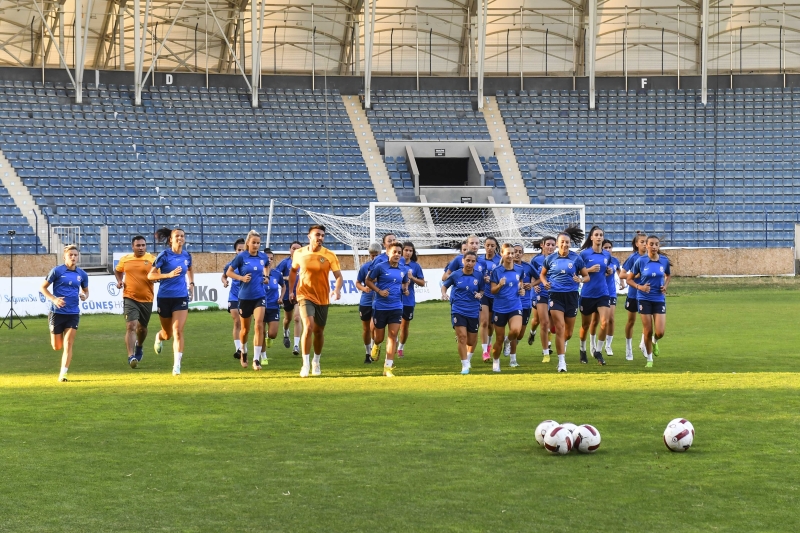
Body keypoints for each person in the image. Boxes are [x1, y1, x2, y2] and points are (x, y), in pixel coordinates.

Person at [289, 225, 343, 378]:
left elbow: (339, 276)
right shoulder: (299, 253)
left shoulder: (329, 255)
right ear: (309, 236)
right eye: (317, 235)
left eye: (322, 235)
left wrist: (337, 289)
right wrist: (291, 290)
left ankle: (316, 362)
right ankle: (305, 364)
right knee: (309, 326)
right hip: (304, 295)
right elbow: (293, 271)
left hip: (322, 297)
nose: (320, 238)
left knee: (319, 331)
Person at [539, 227, 587, 373]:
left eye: (567, 242)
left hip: (572, 296)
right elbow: (542, 275)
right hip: (555, 295)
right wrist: (544, 283)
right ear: (557, 243)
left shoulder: (576, 258)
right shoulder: (550, 259)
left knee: (568, 333)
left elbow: (587, 276)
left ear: (570, 243)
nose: (565, 244)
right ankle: (561, 362)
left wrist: (580, 279)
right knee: (560, 328)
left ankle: (562, 343)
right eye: (562, 242)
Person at [148, 227, 194, 376]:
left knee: (178, 331)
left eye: (182, 236)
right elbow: (150, 276)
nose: (180, 238)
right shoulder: (164, 255)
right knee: (167, 334)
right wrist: (168, 275)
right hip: (165, 298)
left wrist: (191, 283)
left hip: (181, 297)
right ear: (171, 239)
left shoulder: (187, 255)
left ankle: (177, 366)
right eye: (177, 236)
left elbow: (189, 269)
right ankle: (158, 337)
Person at [40, 245, 89, 382]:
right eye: (70, 255)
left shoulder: (82, 274)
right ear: (64, 257)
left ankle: (63, 374)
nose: (73, 257)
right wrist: (54, 299)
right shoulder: (57, 271)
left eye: (75, 255)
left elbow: (86, 291)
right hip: (57, 313)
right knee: (57, 346)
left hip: (73, 313)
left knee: (68, 343)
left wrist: (84, 296)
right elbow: (43, 288)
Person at [226, 230, 270, 371]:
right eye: (253, 243)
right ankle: (243, 351)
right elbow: (228, 272)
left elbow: (267, 265)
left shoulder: (263, 257)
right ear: (248, 243)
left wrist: (266, 277)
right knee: (245, 330)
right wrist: (241, 278)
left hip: (259, 296)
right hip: (244, 297)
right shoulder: (241, 257)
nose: (256, 245)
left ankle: (256, 360)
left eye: (258, 243)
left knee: (259, 325)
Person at [365, 242, 409, 377]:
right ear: (388, 253)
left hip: (396, 306)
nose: (397, 255)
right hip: (381, 307)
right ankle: (376, 345)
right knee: (379, 337)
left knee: (393, 336)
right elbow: (368, 281)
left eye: (399, 253)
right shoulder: (380, 267)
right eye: (394, 252)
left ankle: (388, 368)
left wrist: (405, 289)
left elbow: (405, 281)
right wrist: (379, 291)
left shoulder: (403, 269)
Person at [626, 235, 670, 368]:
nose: (654, 247)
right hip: (644, 299)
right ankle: (649, 359)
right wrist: (640, 287)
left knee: (660, 332)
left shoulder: (664, 261)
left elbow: (668, 275)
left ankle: (654, 341)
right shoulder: (641, 261)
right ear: (646, 245)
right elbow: (629, 279)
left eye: (656, 244)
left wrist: (665, 286)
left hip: (659, 298)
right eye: (651, 244)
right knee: (648, 329)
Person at [114, 235, 156, 369]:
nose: (141, 248)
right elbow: (117, 270)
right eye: (138, 245)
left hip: (147, 299)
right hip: (130, 297)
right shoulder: (125, 259)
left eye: (143, 245)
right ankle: (131, 356)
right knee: (131, 326)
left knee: (142, 329)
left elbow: (157, 274)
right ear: (132, 247)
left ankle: (139, 346)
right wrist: (119, 281)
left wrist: (157, 278)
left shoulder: (152, 259)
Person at [441, 251, 483, 374]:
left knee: (471, 341)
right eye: (468, 260)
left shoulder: (479, 275)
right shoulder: (456, 274)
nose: (470, 263)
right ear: (463, 261)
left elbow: (482, 290)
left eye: (473, 261)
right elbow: (444, 285)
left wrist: (480, 294)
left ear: (475, 263)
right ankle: (464, 365)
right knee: (462, 338)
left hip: (473, 310)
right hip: (458, 309)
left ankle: (463, 346)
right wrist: (444, 293)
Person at [577, 226, 611, 366]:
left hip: (603, 293)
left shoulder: (607, 255)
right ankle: (582, 349)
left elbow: (605, 270)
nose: (599, 237)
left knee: (605, 322)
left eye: (601, 235)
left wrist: (608, 271)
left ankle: (598, 351)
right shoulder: (584, 254)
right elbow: (577, 272)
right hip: (587, 294)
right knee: (585, 325)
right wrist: (589, 270)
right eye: (596, 234)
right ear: (591, 237)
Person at [489, 243, 525, 372]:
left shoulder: (520, 269)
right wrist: (499, 285)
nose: (510, 255)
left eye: (512, 253)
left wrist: (522, 290)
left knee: (515, 331)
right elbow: (492, 290)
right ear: (502, 254)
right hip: (500, 308)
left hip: (515, 305)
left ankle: (508, 341)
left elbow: (520, 283)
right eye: (508, 253)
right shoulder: (496, 271)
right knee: (498, 338)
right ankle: (496, 361)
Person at [589, 239, 621, 356]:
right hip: (598, 292)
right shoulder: (598, 259)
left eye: (609, 247)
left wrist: (622, 282)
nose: (608, 249)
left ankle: (608, 345)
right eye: (605, 247)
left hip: (611, 293)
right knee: (595, 321)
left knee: (610, 319)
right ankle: (592, 343)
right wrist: (604, 272)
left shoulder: (614, 260)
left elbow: (619, 271)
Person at [619, 232, 647, 360]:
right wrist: (634, 276)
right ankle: (628, 348)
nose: (645, 244)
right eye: (642, 242)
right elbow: (622, 274)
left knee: (647, 322)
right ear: (636, 244)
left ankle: (643, 344)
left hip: (646, 295)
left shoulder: (651, 257)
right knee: (631, 321)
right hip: (633, 294)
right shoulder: (633, 257)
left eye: (646, 242)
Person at [528, 236, 556, 362]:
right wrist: (534, 285)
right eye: (548, 244)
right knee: (539, 321)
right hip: (540, 293)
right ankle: (533, 333)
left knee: (550, 323)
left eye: (552, 245)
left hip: (554, 293)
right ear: (542, 245)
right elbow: (532, 275)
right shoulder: (536, 260)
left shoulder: (558, 259)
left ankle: (548, 345)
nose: (550, 247)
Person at [356, 242, 382, 364]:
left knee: (374, 326)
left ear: (380, 253)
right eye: (372, 255)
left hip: (378, 301)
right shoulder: (365, 267)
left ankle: (374, 349)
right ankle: (367, 353)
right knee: (366, 329)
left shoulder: (384, 267)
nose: (374, 257)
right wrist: (364, 288)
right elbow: (357, 283)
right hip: (366, 302)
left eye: (376, 254)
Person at [398, 241, 425, 358]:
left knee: (404, 326)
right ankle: (392, 344)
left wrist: (412, 278)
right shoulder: (396, 264)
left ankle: (400, 348)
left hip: (408, 300)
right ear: (402, 251)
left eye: (410, 251)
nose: (408, 253)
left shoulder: (415, 266)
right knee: (394, 325)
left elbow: (422, 283)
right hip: (395, 299)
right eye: (406, 250)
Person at [276, 241, 303, 355]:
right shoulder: (285, 262)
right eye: (293, 248)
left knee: (297, 318)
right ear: (290, 250)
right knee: (288, 319)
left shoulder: (305, 262)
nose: (295, 250)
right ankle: (286, 332)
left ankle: (296, 345)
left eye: (298, 249)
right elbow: (275, 275)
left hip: (300, 294)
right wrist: (285, 278)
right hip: (287, 294)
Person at [512, 243, 538, 365]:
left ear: (522, 254)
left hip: (525, 303)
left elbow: (539, 278)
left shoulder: (527, 267)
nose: (517, 254)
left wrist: (531, 285)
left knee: (520, 334)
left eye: (519, 251)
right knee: (514, 330)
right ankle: (513, 358)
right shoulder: (505, 267)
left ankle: (510, 342)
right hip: (511, 304)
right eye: (515, 251)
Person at [221, 238, 246, 360]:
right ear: (235, 251)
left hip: (246, 297)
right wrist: (225, 281)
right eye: (239, 250)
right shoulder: (231, 265)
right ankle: (238, 349)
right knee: (237, 321)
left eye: (243, 249)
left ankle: (243, 346)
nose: (241, 252)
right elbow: (224, 276)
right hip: (234, 297)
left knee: (244, 324)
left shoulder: (250, 264)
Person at [479, 236, 500, 362]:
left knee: (492, 326)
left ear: (496, 247)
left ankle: (489, 343)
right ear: (484, 246)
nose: (490, 248)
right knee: (484, 322)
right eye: (488, 245)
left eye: (492, 246)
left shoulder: (500, 260)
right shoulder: (479, 260)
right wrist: (482, 279)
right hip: (484, 295)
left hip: (496, 296)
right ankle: (485, 351)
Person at [261, 247, 284, 364]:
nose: (269, 260)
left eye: (271, 258)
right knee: (260, 332)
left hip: (274, 307)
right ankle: (263, 356)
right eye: (267, 258)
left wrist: (281, 298)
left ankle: (268, 336)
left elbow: (284, 286)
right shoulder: (257, 273)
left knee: (273, 334)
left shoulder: (277, 274)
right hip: (260, 307)